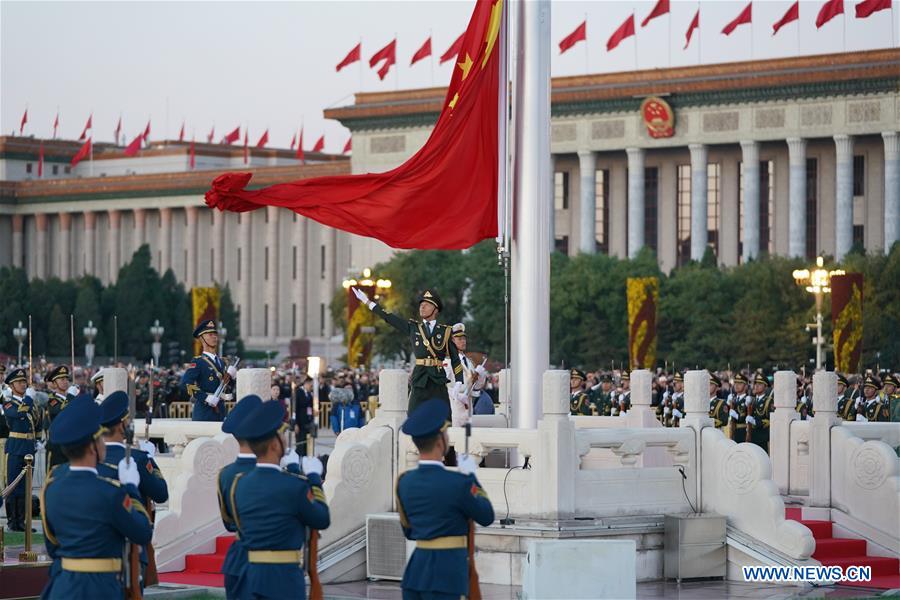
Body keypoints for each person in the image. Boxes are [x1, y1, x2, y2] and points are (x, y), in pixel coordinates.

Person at [40, 396, 153, 600]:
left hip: (62, 585)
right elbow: (143, 532)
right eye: (100, 439)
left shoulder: (51, 488)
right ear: (93, 447)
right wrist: (131, 488)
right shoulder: (111, 492)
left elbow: (52, 543)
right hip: (100, 587)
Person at [230, 399, 330, 600]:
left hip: (250, 574)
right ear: (275, 445)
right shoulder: (294, 487)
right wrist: (314, 479)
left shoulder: (239, 484)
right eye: (282, 437)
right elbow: (321, 519)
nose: (285, 441)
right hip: (283, 578)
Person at [396, 398, 494, 600]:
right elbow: (486, 515)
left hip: (415, 574)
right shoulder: (459, 483)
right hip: (448, 576)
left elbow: (409, 530)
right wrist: (471, 476)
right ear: (441, 442)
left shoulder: (404, 482)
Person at [96, 391, 168, 589]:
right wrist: (150, 458)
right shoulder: (137, 459)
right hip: (130, 547)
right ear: (121, 426)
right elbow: (161, 494)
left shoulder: (91, 459)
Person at [352, 287, 464, 413]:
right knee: (413, 415)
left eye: (426, 305)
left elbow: (455, 359)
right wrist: (368, 302)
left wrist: (459, 381)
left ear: (435, 309)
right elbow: (388, 317)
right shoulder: (413, 328)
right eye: (421, 304)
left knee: (444, 417)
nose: (422, 307)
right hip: (420, 377)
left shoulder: (446, 331)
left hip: (438, 379)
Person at [217, 394, 263, 599]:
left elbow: (228, 523)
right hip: (267, 562)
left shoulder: (225, 474)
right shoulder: (274, 473)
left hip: (236, 560)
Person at [180, 320, 238, 422]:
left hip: (220, 410)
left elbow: (228, 389)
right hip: (204, 412)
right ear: (202, 338)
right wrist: (206, 397)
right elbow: (185, 384)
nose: (214, 337)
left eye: (215, 334)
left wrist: (233, 378)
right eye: (210, 334)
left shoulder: (222, 362)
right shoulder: (198, 362)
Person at [3, 368, 38, 531]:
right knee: (13, 485)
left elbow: (35, 421)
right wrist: (29, 399)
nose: (23, 385)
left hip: (28, 448)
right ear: (11, 385)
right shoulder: (9, 402)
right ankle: (12, 521)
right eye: (19, 382)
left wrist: (37, 439)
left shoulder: (29, 403)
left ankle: (22, 521)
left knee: (26, 486)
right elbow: (17, 414)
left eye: (24, 382)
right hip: (16, 447)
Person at [443, 323, 488, 426]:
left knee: (467, 439)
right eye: (459, 339)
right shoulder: (448, 361)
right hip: (454, 407)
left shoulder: (469, 362)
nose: (463, 341)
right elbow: (441, 385)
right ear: (452, 342)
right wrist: (457, 395)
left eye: (464, 338)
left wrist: (481, 376)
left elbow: (476, 386)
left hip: (468, 407)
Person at [44, 365, 79, 472]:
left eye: (66, 379)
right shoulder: (52, 401)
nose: (65, 382)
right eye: (61, 379)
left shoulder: (72, 400)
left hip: (71, 446)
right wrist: (71, 397)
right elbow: (61, 411)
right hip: (57, 448)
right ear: (54, 383)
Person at [747, 372, 774, 452]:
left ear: (765, 387)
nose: (756, 386)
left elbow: (770, 421)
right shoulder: (752, 401)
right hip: (752, 437)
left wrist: (755, 422)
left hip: (762, 438)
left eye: (760, 384)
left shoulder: (768, 401)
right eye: (755, 383)